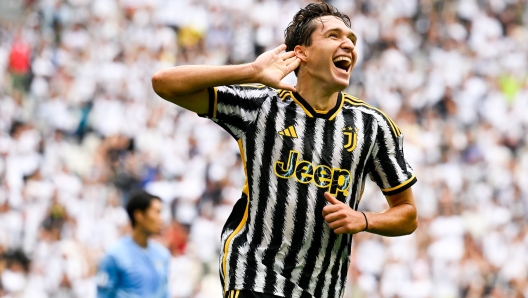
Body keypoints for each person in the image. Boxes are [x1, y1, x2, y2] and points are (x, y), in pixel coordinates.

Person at [152, 2, 418, 298]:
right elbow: (164, 84)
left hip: (322, 288)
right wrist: (251, 71)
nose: (348, 44)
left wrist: (365, 220)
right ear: (301, 53)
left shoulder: (373, 126)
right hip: (254, 276)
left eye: (351, 40)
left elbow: (407, 215)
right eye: (333, 36)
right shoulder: (262, 106)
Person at [96, 191, 170, 298]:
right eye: (157, 212)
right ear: (139, 215)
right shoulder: (114, 255)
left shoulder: (163, 255)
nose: (161, 219)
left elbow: (165, 293)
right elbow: (103, 294)